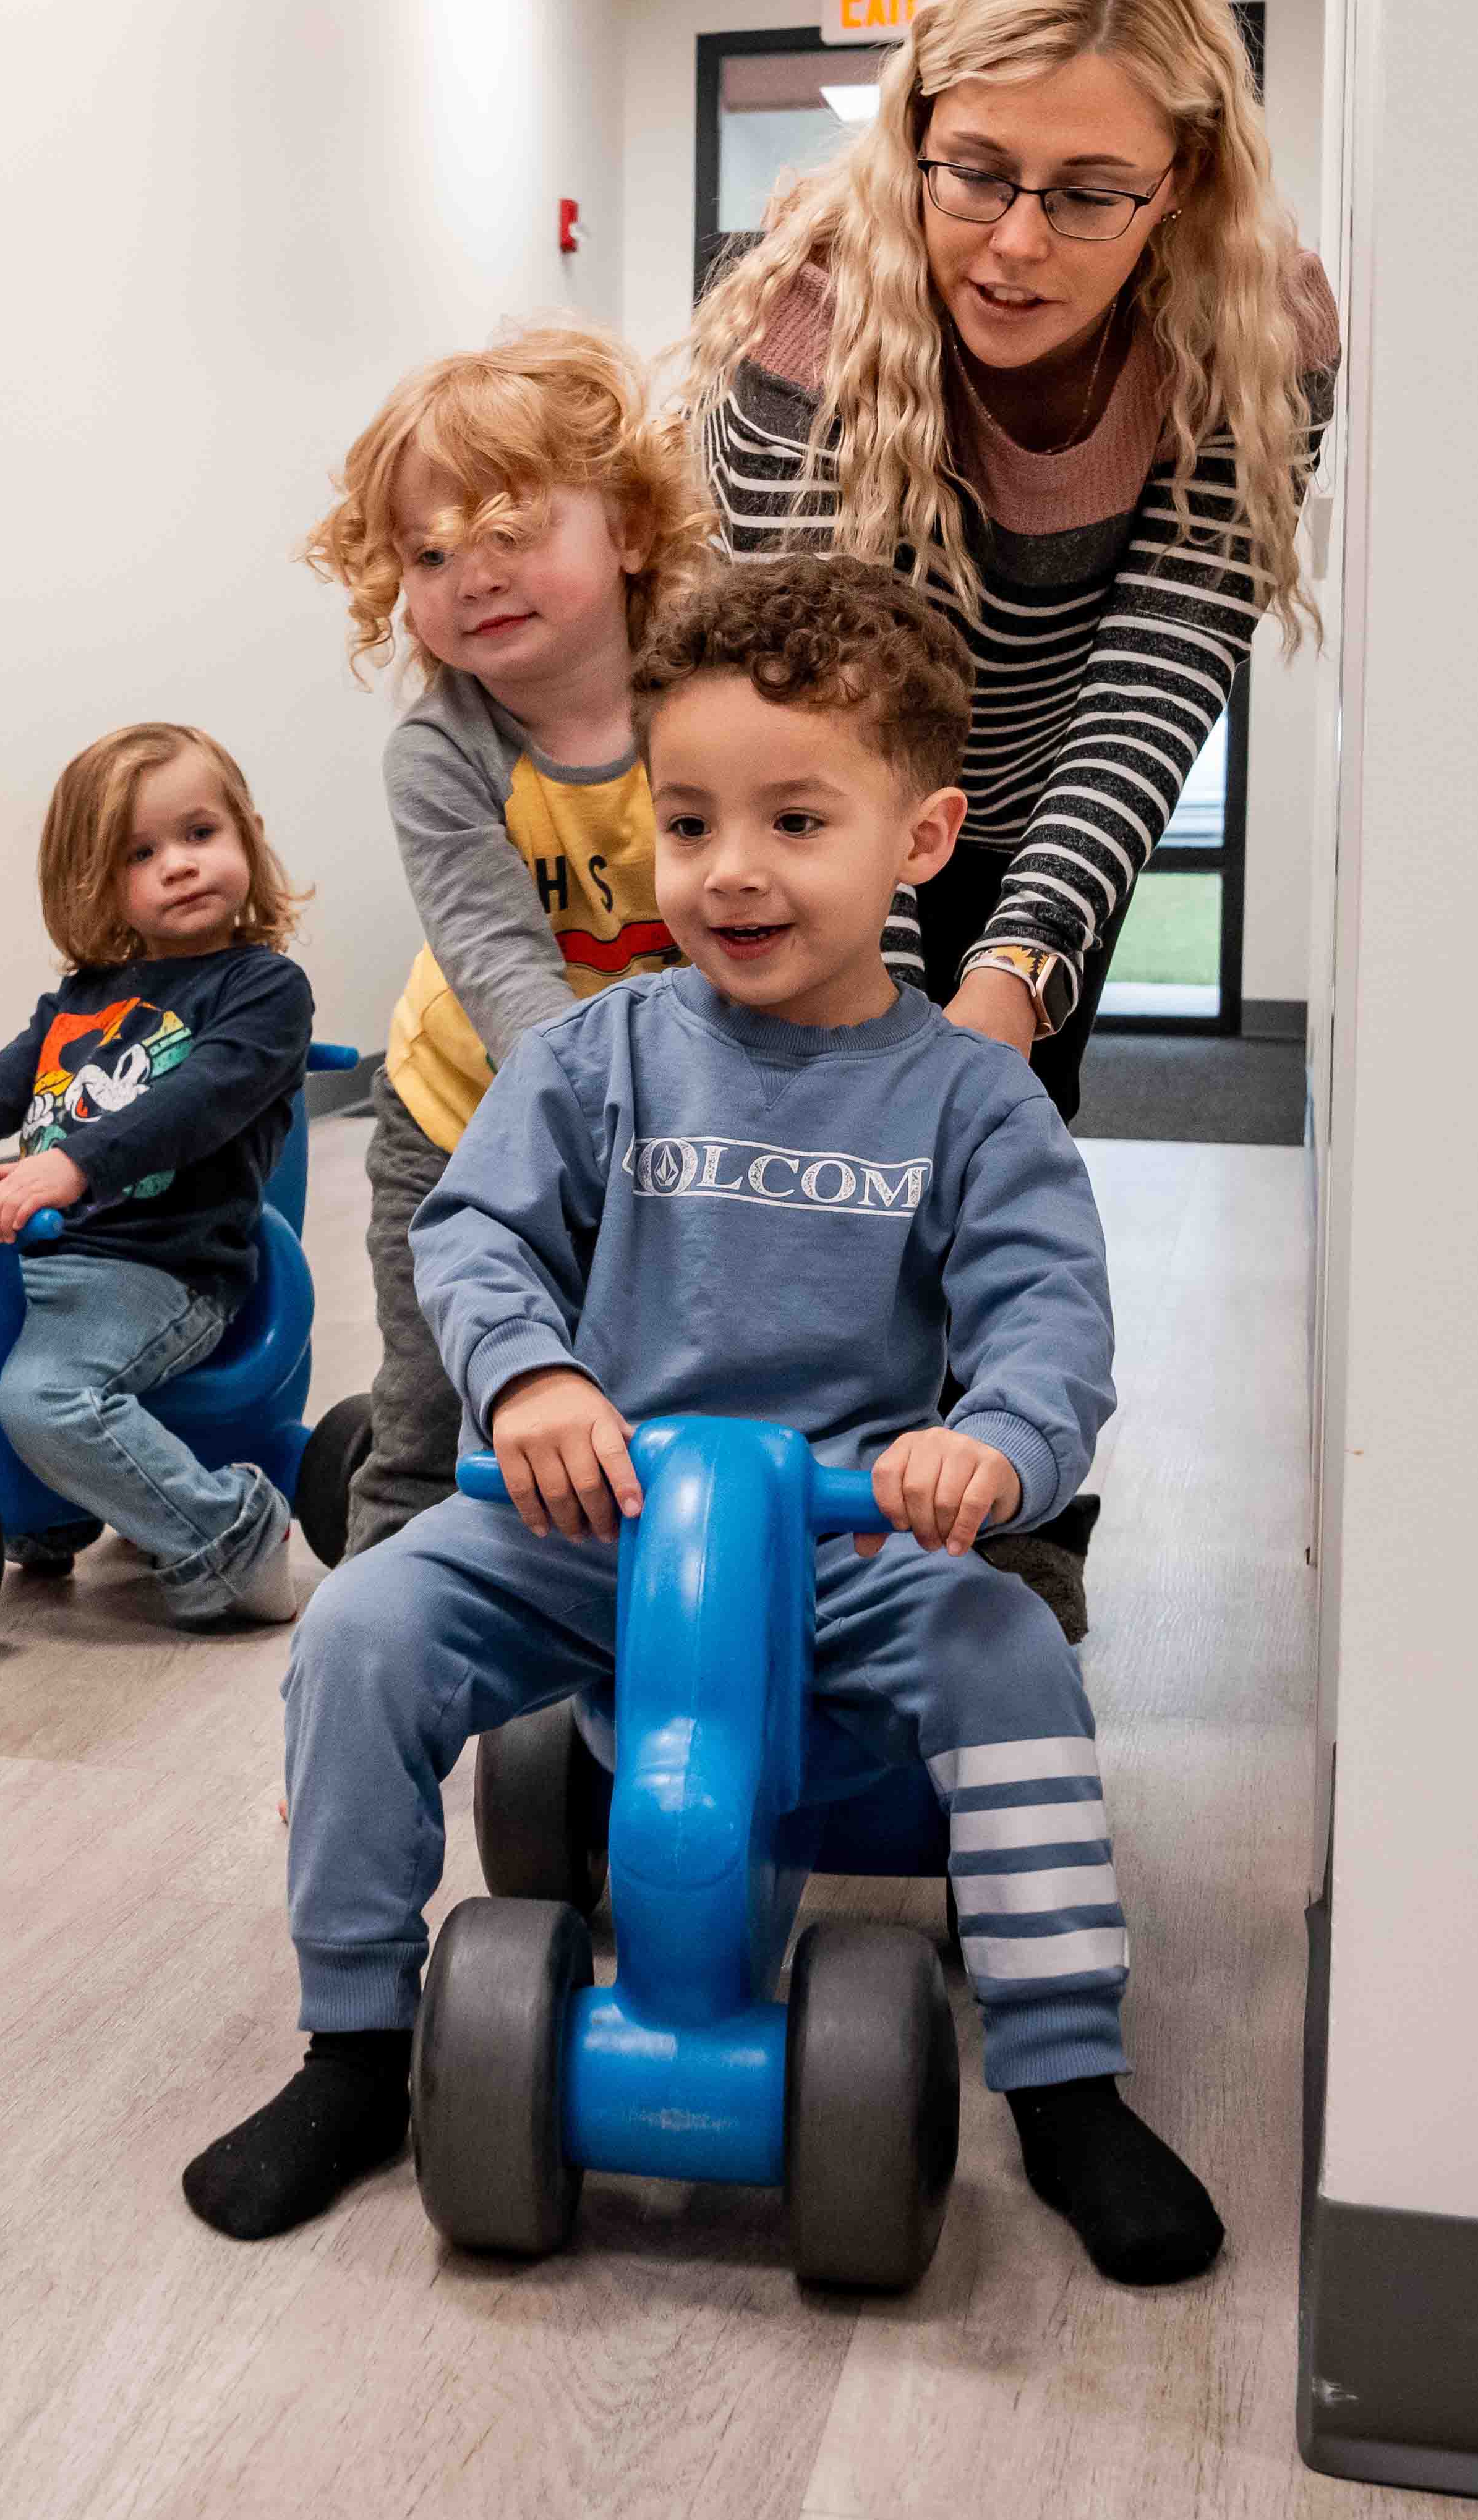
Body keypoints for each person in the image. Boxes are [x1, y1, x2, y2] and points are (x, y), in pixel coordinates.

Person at [184, 553, 1223, 2288]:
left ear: (918, 838)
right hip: (594, 1526)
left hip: (846, 1540)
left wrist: (991, 1445)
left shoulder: (973, 1100)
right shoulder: (597, 1055)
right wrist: (531, 1376)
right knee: (360, 1627)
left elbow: (1048, 1317)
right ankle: (354, 2040)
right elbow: (478, 1230)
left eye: (794, 820)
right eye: (685, 821)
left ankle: (1061, 2072)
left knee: (1009, 1656)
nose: (728, 867)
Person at [687, 0, 1334, 1126]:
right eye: (976, 174)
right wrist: (883, 1001)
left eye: (1088, 194)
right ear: (917, 137)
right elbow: (820, 705)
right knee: (815, 1127)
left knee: (1002, 1130)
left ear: (1180, 183)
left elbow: (1160, 667)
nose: (1017, 244)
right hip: (813, 793)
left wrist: (1022, 962)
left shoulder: (1259, 330)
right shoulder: (810, 320)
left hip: (1050, 808)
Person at [299, 321, 698, 1554]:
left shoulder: (709, 710)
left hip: (679, 1123)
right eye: (429, 552)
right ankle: (382, 1608)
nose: (472, 574)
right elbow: (503, 969)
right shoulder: (441, 752)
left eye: (511, 531)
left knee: (659, 1381)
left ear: (630, 530)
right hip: (458, 1122)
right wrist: (613, 1124)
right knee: (432, 1411)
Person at [0, 725, 318, 1627]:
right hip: (47, 1255)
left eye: (200, 833)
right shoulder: (84, 996)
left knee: (45, 1395)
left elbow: (200, 1101)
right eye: (141, 853)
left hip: (163, 1268)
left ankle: (232, 1533)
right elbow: (1, 1082)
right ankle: (46, 1505)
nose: (179, 864)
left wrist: (72, 1162)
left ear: (248, 837)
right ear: (94, 883)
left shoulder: (263, 990)